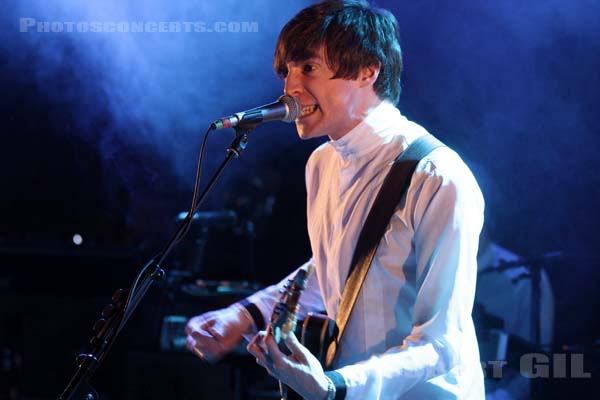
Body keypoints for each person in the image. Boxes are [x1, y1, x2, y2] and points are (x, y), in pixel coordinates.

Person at [185, 1, 485, 398]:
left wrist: (336, 386)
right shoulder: (322, 164)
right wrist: (244, 315)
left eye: (308, 67)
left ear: (367, 71)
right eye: (286, 71)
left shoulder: (438, 176)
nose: (290, 87)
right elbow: (333, 270)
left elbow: (443, 341)